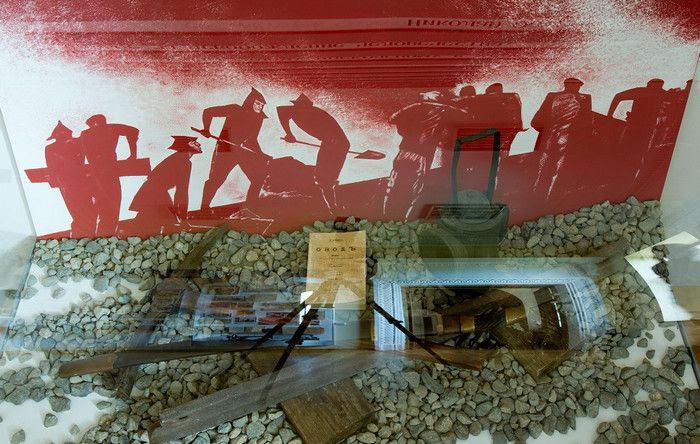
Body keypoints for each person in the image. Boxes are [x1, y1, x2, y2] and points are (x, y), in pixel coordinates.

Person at [383, 91, 469, 220]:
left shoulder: (415, 109)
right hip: (421, 157)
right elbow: (466, 115)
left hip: (403, 153)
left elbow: (392, 119)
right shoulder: (442, 111)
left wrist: (417, 105)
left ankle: (386, 217)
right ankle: (406, 220)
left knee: (392, 187)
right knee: (415, 193)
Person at [277, 93, 350, 213]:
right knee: (322, 178)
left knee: (326, 179)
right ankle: (332, 207)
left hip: (338, 143)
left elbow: (333, 130)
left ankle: (334, 207)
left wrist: (333, 141)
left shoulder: (317, 113)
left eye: (303, 107)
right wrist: (289, 133)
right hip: (329, 142)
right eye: (298, 106)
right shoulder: (295, 111)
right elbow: (280, 111)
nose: (301, 109)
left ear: (308, 107)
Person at [199, 87, 270, 210]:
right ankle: (203, 208)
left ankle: (251, 206)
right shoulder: (235, 109)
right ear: (250, 101)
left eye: (262, 105)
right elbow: (208, 112)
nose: (260, 107)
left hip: (242, 152)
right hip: (225, 150)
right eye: (258, 103)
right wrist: (206, 129)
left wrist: (260, 154)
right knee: (215, 180)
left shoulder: (258, 118)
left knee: (258, 178)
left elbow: (252, 140)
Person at [531, 78, 593, 200]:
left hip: (550, 137)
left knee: (542, 167)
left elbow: (536, 121)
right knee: (558, 168)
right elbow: (587, 124)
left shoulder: (551, 96)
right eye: (578, 85)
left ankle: (536, 195)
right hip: (568, 140)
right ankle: (550, 197)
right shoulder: (585, 98)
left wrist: (547, 132)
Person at [79, 114, 140, 235]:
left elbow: (81, 154)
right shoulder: (112, 128)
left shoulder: (86, 134)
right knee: (111, 202)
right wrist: (133, 155)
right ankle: (107, 232)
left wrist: (133, 155)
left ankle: (104, 232)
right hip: (107, 172)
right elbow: (133, 131)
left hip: (97, 173)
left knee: (103, 204)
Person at [129, 136, 202, 234]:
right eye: (193, 143)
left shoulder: (178, 158)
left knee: (147, 222)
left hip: (153, 193)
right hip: (155, 194)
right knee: (166, 222)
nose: (198, 144)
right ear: (186, 147)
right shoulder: (184, 162)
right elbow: (182, 192)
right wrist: (183, 218)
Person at [43, 121, 97, 236]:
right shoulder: (78, 142)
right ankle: (86, 228)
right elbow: (83, 159)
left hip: (67, 182)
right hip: (77, 179)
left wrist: (55, 180)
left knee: (76, 206)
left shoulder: (50, 148)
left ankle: (84, 229)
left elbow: (51, 167)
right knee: (84, 204)